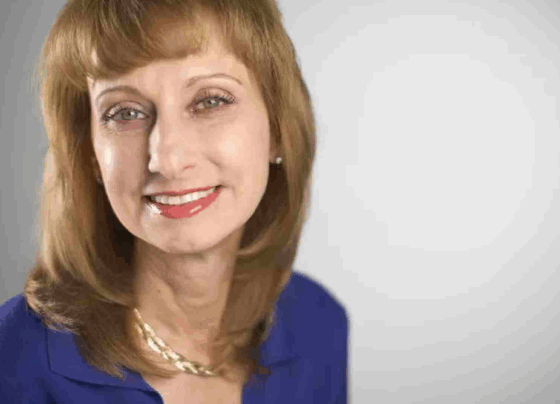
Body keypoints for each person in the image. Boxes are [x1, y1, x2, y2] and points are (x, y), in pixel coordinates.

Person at [0, 0, 348, 402]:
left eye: (210, 101)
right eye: (125, 112)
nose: (167, 159)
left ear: (277, 130)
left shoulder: (318, 326)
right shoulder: (13, 361)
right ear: (90, 154)